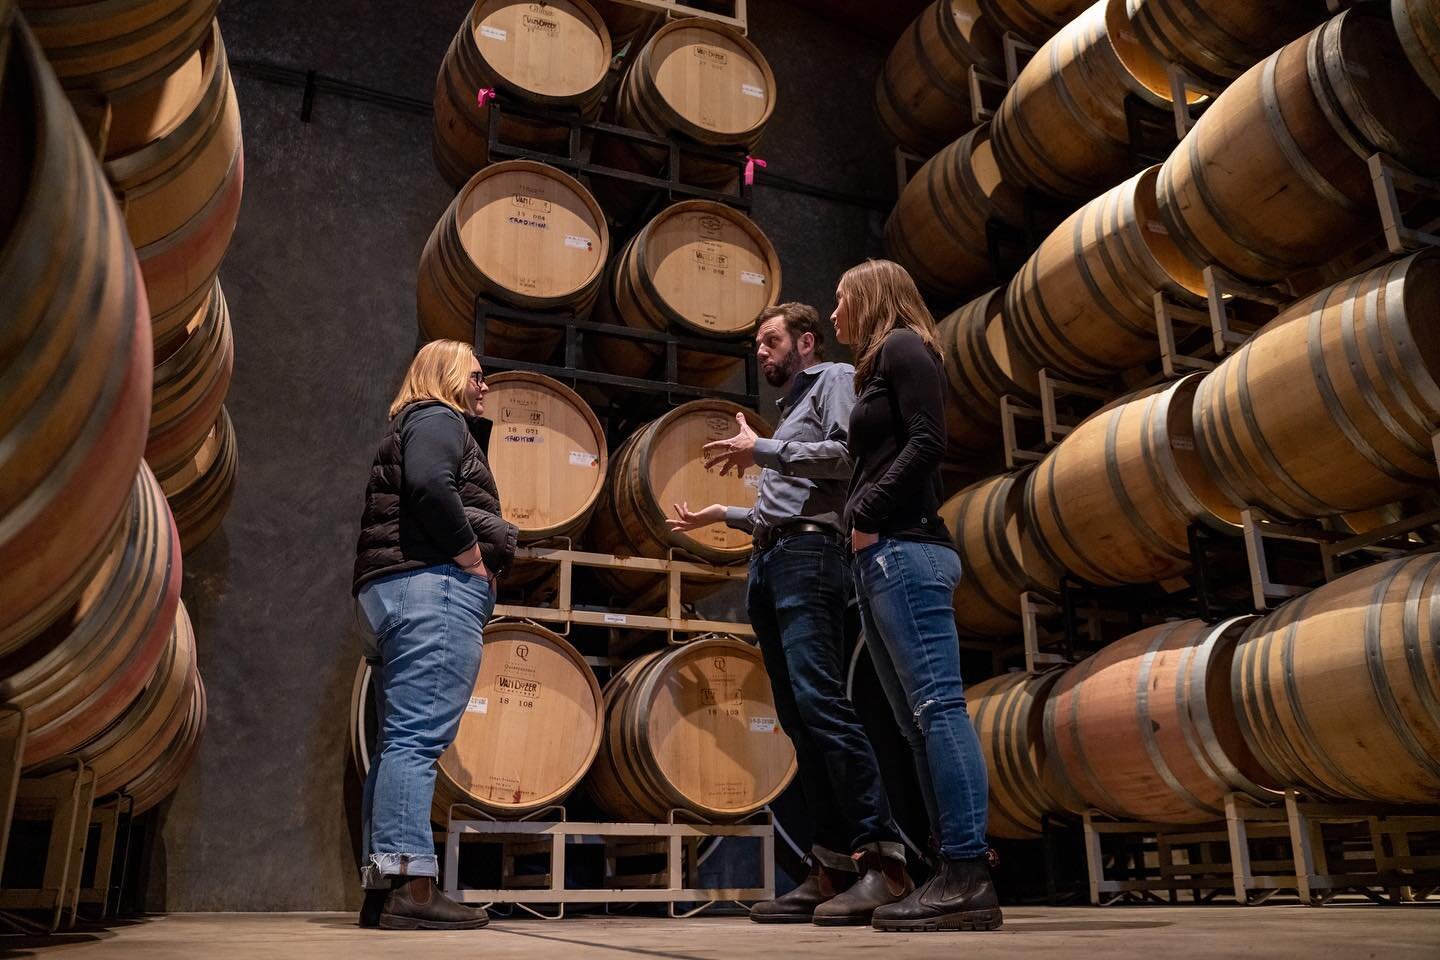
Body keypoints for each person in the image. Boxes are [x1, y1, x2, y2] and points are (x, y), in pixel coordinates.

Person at [668, 303, 912, 926]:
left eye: (770, 339)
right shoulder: (784, 413)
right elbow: (772, 509)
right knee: (798, 719)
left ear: (805, 342)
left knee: (823, 705)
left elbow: (844, 456)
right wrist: (719, 516)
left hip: (810, 555)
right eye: (756, 341)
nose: (760, 350)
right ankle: (830, 866)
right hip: (772, 557)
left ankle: (885, 861)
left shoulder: (832, 379)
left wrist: (765, 450)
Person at [830, 260, 1002, 933]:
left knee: (937, 710)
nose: (835, 312)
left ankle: (966, 870)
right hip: (883, 557)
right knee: (913, 724)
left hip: (908, 550)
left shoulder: (905, 346)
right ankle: (948, 872)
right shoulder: (878, 366)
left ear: (870, 297)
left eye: (842, 299)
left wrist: (866, 509)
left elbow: (930, 442)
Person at [351, 340, 518, 930]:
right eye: (476, 376)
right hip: (431, 588)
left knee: (400, 742)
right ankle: (414, 889)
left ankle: (386, 887)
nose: (483, 387)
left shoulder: (418, 422)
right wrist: (473, 555)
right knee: (417, 742)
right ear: (446, 375)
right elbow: (428, 484)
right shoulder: (437, 418)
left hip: (396, 592)